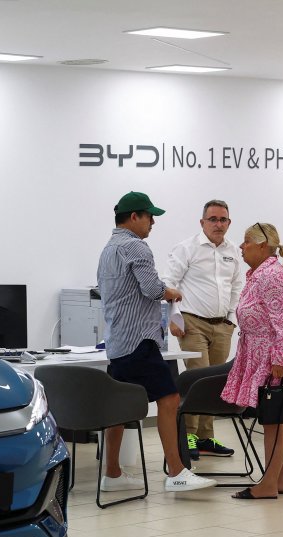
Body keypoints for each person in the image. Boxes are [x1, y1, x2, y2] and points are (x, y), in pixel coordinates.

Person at [97, 191, 217, 493]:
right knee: (170, 399)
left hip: (118, 342)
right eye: (150, 217)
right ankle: (177, 471)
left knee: (119, 408)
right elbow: (152, 290)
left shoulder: (108, 249)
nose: (153, 223)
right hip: (141, 340)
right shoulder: (137, 247)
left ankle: (112, 473)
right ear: (134, 216)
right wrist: (172, 292)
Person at [221, 222, 283, 499]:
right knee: (280, 422)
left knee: (272, 423)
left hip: (272, 359)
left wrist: (280, 361)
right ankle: (281, 480)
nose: (241, 247)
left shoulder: (271, 277)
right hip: (262, 356)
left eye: (245, 242)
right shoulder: (259, 275)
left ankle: (268, 484)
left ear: (261, 246)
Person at [163, 199, 245, 461]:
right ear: (202, 222)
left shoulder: (233, 251)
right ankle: (188, 433)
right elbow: (169, 283)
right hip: (193, 322)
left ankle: (206, 437)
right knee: (197, 378)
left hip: (222, 325)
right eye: (213, 219)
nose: (218, 224)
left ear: (229, 223)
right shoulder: (187, 248)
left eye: (223, 220)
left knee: (214, 383)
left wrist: (232, 320)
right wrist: (173, 318)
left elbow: (236, 287)